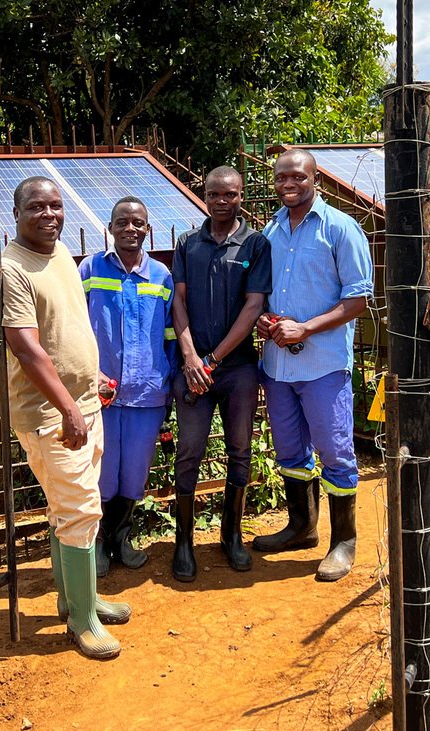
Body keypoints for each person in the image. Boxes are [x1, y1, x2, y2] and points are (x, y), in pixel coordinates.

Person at [0, 176, 130, 659]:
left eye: (56, 206)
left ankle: (75, 600)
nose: (49, 215)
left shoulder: (61, 253)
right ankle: (84, 622)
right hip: (52, 414)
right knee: (83, 511)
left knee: (68, 511)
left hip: (84, 404)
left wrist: (95, 377)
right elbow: (27, 349)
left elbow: (70, 326)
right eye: (37, 208)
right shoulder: (9, 272)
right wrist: (69, 408)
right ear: (16, 213)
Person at [254, 148, 372, 582]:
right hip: (278, 366)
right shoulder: (270, 230)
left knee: (336, 451)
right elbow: (264, 292)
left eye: (297, 177)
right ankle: (302, 527)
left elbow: (358, 300)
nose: (288, 184)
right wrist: (267, 320)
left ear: (314, 179)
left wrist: (305, 329)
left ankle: (343, 540)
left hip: (323, 366)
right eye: (281, 177)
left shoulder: (341, 228)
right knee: (289, 451)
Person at [170, 166, 271, 582]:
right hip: (193, 370)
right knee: (189, 450)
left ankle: (232, 536)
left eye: (230, 195)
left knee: (240, 451)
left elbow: (253, 307)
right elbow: (178, 300)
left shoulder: (255, 243)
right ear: (205, 196)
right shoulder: (187, 243)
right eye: (214, 195)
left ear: (240, 196)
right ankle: (183, 543)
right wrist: (192, 357)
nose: (221, 202)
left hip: (238, 370)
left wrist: (213, 360)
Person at [76, 196, 176, 577]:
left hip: (148, 392)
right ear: (110, 227)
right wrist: (89, 374)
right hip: (100, 394)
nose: (130, 229)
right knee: (101, 472)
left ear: (147, 229)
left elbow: (170, 332)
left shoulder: (162, 276)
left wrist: (167, 376)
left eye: (138, 223)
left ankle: (121, 536)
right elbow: (77, 327)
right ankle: (98, 541)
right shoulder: (90, 268)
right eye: (122, 222)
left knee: (134, 472)